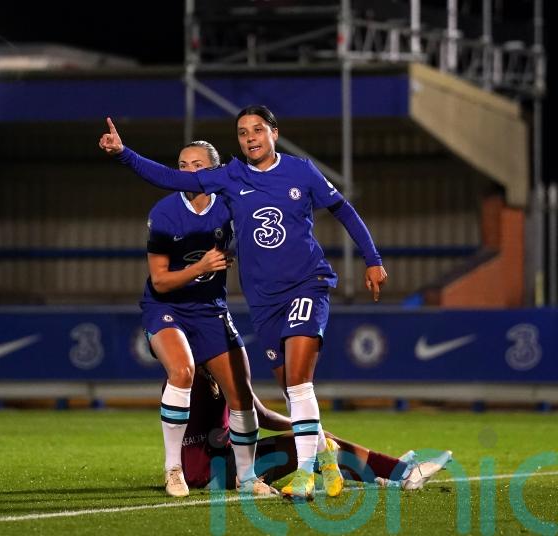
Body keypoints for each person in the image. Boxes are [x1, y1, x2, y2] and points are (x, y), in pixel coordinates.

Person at [100, 105, 388, 501]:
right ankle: (325, 454)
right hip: (260, 301)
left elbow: (344, 211)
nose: (250, 137)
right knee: (289, 385)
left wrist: (372, 259)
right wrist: (123, 153)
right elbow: (167, 181)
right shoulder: (224, 183)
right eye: (242, 132)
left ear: (273, 132)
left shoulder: (298, 172)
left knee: (296, 382)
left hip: (304, 284)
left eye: (257, 130)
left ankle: (299, 473)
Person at [143, 141, 273, 497]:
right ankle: (174, 470)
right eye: (182, 165)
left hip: (210, 309)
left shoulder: (230, 206)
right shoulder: (165, 212)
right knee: (182, 371)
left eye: (196, 165)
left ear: (213, 172)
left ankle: (247, 478)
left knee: (242, 396)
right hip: (166, 306)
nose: (188, 172)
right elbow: (160, 280)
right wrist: (200, 267)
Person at [183, 367, 452, 492]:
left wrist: (306, 428)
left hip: (221, 462)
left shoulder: (210, 368)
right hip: (214, 472)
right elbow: (258, 417)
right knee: (313, 445)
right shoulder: (194, 375)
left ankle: (386, 473)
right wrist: (306, 430)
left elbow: (261, 415)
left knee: (316, 442)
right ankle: (401, 473)